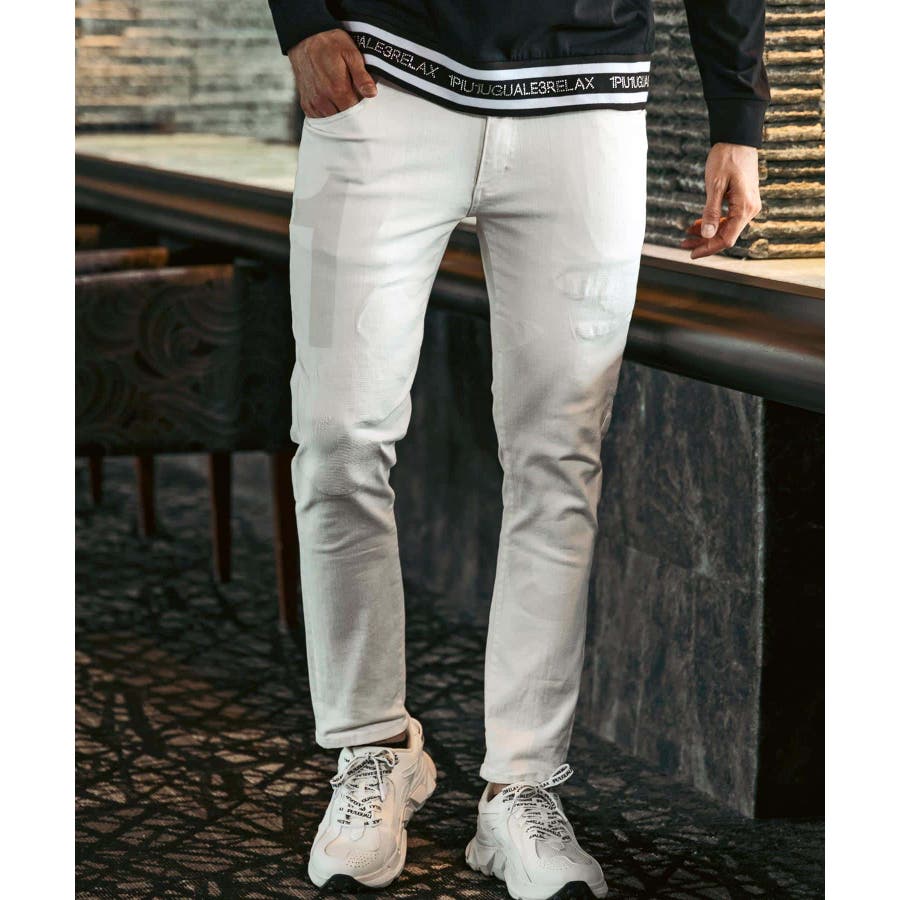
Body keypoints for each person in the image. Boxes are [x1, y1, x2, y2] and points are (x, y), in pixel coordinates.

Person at [267, 1, 768, 896]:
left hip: (586, 93)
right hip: (383, 75)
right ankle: (372, 749)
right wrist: (301, 18)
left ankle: (521, 787)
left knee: (559, 453)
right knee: (337, 436)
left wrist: (738, 115)